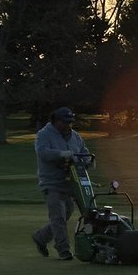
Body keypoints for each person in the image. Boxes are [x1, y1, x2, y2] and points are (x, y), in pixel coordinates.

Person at [31, 106, 89, 260]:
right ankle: (63, 250)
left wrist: (87, 159)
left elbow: (83, 151)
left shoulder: (75, 136)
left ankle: (41, 237)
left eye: (70, 122)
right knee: (58, 217)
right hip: (51, 182)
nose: (68, 125)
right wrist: (61, 154)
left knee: (66, 214)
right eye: (65, 122)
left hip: (72, 182)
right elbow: (42, 152)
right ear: (56, 121)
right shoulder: (44, 134)